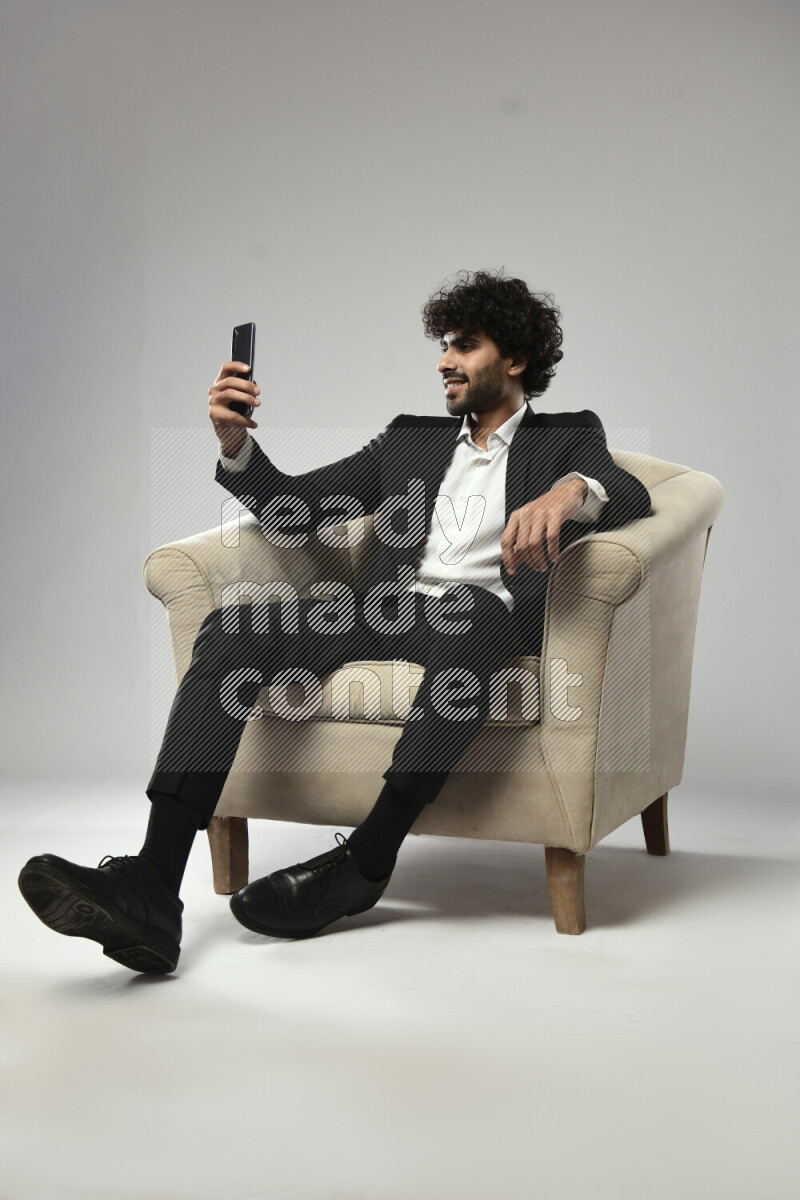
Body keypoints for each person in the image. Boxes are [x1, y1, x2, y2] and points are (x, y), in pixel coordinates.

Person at [18, 269, 651, 974]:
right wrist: (235, 445)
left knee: (472, 613)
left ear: (516, 360)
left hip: (484, 620)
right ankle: (152, 884)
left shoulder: (567, 436)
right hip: (387, 610)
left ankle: (366, 860)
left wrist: (567, 493)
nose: (443, 359)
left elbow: (624, 490)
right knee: (230, 630)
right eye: (442, 344)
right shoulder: (409, 440)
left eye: (464, 344)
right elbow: (300, 507)